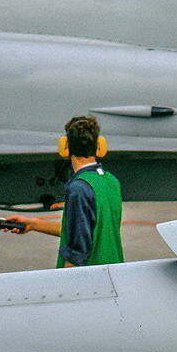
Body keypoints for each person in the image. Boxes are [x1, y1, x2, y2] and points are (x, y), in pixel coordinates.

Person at [55, 114, 124, 268]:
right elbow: (85, 229)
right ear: (100, 146)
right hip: (114, 272)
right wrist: (32, 224)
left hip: (91, 281)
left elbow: (77, 252)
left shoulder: (79, 189)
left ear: (65, 147)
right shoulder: (111, 181)